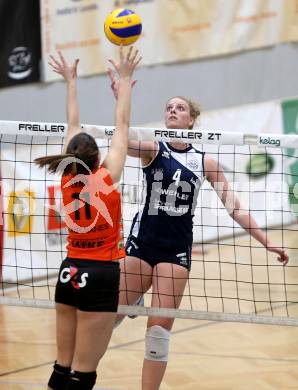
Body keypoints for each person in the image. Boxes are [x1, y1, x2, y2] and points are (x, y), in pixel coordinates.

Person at [108, 74, 289, 390]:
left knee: (158, 336)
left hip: (175, 251)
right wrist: (120, 96)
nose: (172, 111)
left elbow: (235, 208)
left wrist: (267, 241)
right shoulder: (153, 148)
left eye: (180, 108)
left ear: (191, 120)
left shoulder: (206, 162)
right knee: (106, 317)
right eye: (168, 107)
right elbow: (121, 139)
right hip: (141, 245)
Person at [35, 46, 141, 390]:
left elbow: (72, 124)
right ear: (98, 156)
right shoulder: (107, 178)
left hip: (69, 272)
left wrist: (70, 83)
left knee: (61, 369)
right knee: (83, 375)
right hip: (100, 274)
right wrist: (124, 79)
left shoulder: (66, 178)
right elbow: (122, 124)